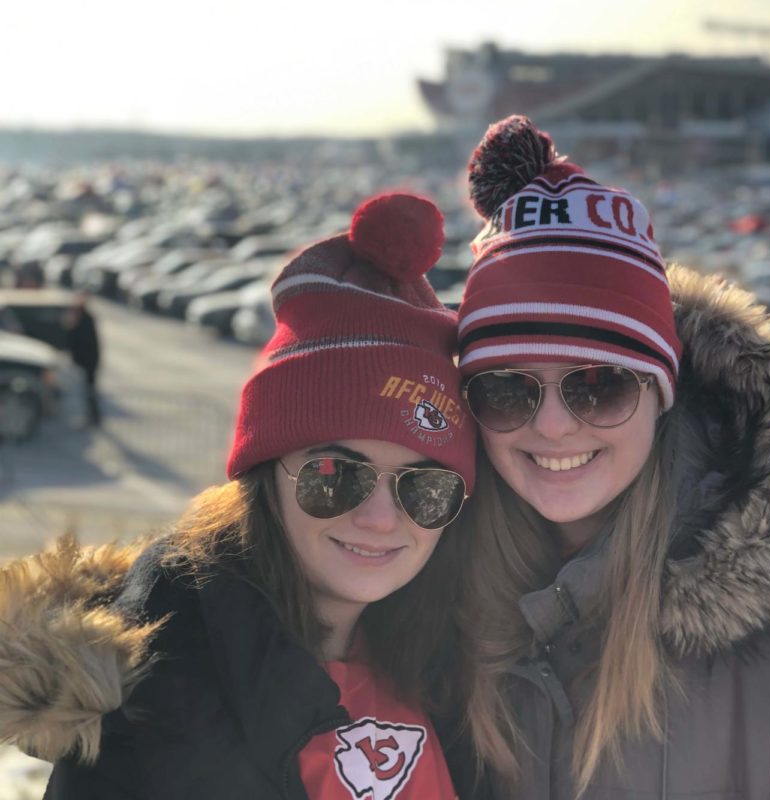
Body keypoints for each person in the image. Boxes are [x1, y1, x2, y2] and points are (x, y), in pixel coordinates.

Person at [453, 116, 770, 799]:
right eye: (506, 388)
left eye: (597, 386)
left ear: (663, 394)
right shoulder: (433, 586)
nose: (551, 425)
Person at [0, 193, 477, 799]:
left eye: (425, 487)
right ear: (262, 476)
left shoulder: (460, 665)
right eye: (334, 473)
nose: (381, 517)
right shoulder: (152, 706)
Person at [64, 292, 102, 427]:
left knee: (89, 390)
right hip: (84, 360)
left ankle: (93, 417)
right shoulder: (79, 317)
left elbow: (83, 341)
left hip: (88, 361)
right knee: (85, 391)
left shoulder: (86, 319)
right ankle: (92, 416)